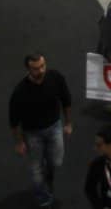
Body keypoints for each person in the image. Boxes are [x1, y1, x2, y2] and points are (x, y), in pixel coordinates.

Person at [10, 53, 73, 207]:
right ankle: (43, 196)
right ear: (28, 70)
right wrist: (19, 142)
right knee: (36, 169)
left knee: (56, 162)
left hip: (54, 127)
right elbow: (14, 121)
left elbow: (66, 100)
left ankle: (49, 174)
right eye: (36, 68)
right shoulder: (20, 92)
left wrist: (68, 123)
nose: (41, 71)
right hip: (32, 134)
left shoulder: (55, 78)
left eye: (43, 66)